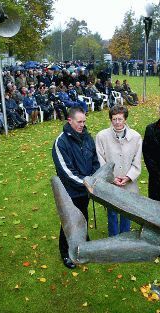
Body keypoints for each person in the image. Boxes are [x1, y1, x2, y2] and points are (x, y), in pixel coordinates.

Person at [52, 106, 99, 269]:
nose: (82, 125)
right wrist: (86, 183)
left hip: (86, 189)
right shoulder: (61, 142)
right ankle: (66, 252)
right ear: (69, 121)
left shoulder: (87, 137)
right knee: (69, 221)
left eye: (84, 121)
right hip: (70, 191)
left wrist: (93, 178)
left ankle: (83, 243)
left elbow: (95, 160)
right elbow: (66, 171)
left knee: (83, 215)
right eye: (79, 122)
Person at [95, 105, 142, 236]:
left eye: (120, 119)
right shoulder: (101, 136)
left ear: (125, 119)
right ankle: (114, 238)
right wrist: (111, 178)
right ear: (110, 119)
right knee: (112, 212)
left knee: (127, 211)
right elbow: (101, 160)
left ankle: (125, 236)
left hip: (128, 182)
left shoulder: (136, 137)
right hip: (110, 182)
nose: (117, 122)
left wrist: (128, 177)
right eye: (114, 119)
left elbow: (137, 161)